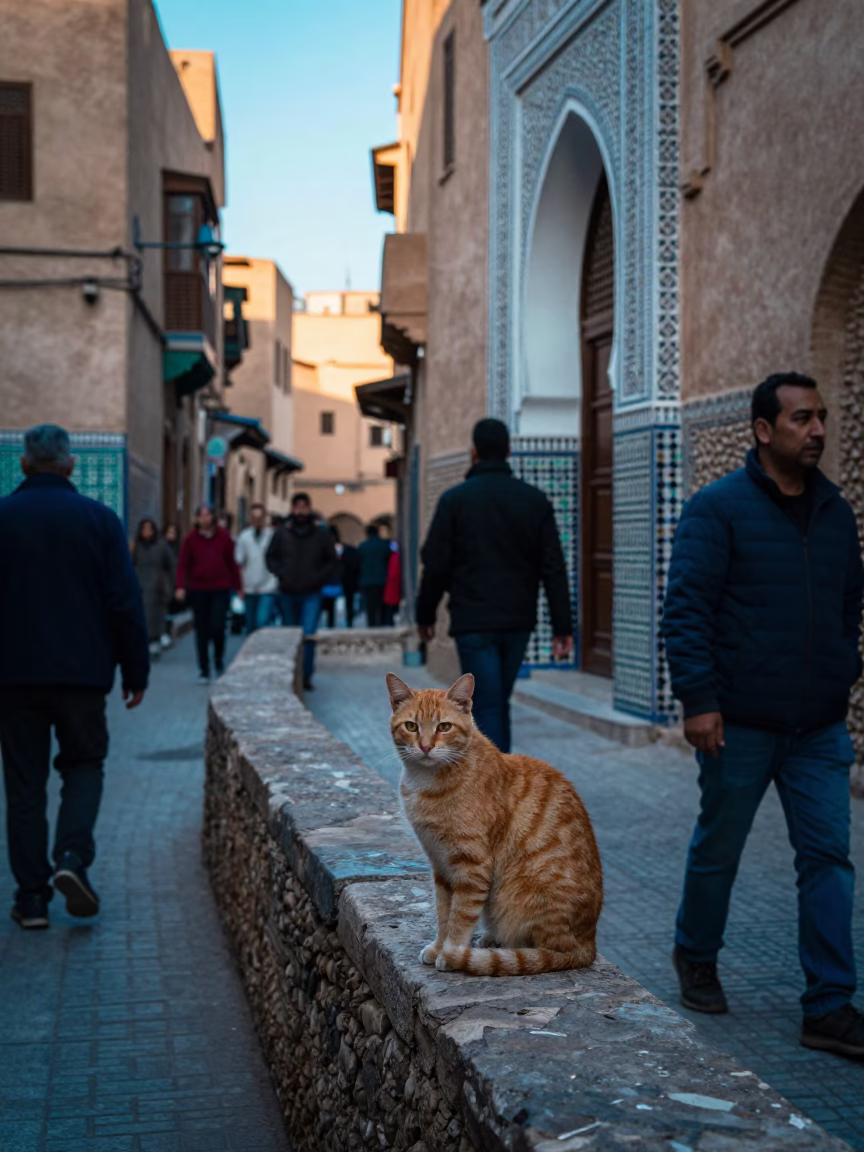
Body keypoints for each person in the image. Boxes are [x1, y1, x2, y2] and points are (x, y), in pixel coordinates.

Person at [662, 372, 864, 1058]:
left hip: (818, 728)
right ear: (763, 430)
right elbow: (686, 609)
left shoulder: (836, 513)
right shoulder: (716, 509)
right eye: (803, 419)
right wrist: (700, 700)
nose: (817, 431)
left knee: (829, 859)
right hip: (738, 723)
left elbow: (848, 607)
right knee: (720, 848)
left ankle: (829, 1004)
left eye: (822, 418)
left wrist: (843, 668)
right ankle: (695, 953)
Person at [0, 425, 149, 929]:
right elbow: (125, 603)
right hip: (83, 677)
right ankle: (71, 859)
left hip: (13, 677)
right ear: (69, 465)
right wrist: (136, 669)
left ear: (24, 464)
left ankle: (32, 899)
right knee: (83, 768)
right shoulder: (100, 521)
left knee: (24, 787)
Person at [416, 418, 572, 753]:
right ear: (508, 451)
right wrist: (563, 626)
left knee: (487, 703)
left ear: (473, 452)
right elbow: (554, 569)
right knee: (496, 699)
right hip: (517, 620)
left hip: (473, 621)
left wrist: (424, 614)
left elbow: (436, 565)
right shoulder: (534, 501)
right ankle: (500, 782)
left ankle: (494, 788)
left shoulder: (454, 501)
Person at [266, 492, 336, 690]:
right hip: (287, 591)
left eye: (304, 507)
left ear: (309, 508)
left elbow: (331, 561)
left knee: (308, 635)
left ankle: (306, 675)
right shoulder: (281, 533)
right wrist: (281, 574)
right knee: (289, 635)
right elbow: (271, 557)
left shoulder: (321, 535)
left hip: (312, 592)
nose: (300, 511)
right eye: (297, 507)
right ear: (292, 509)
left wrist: (319, 578)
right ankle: (290, 673)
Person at [175, 504, 242, 682]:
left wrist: (239, 587)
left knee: (218, 626)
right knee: (201, 630)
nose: (204, 519)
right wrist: (180, 586)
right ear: (197, 519)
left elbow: (232, 564)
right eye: (201, 516)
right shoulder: (190, 540)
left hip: (220, 587)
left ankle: (218, 658)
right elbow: (183, 565)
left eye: (207, 515)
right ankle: (204, 668)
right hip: (198, 588)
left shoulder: (224, 538)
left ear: (213, 517)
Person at [132, 518, 176, 658]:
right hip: (140, 585)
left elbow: (170, 565)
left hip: (158, 587)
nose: (147, 532)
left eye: (149, 529)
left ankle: (154, 641)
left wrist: (170, 584)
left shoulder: (161, 546)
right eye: (144, 529)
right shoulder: (136, 547)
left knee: (156, 616)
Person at [234, 503, 277, 634]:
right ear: (250, 518)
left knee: (262, 621)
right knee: (250, 625)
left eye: (260, 517)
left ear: (264, 518)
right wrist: (239, 587)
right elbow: (239, 561)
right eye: (254, 517)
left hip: (268, 585)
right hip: (249, 586)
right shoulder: (244, 537)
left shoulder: (272, 536)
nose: (257, 520)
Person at [358, 524, 392, 627]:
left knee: (370, 606)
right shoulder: (384, 545)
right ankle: (381, 623)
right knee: (381, 604)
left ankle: (371, 624)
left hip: (367, 580)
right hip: (381, 579)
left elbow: (358, 562)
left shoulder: (363, 546)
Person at [320, 526, 345, 630]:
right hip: (333, 580)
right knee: (331, 607)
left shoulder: (321, 547)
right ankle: (330, 624)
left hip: (324, 580)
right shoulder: (339, 548)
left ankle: (323, 625)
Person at [341, 535, 361, 627]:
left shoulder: (344, 556)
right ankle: (350, 618)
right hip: (353, 581)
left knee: (349, 602)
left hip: (346, 581)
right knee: (352, 601)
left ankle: (349, 619)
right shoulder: (354, 554)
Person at [383, 540, 402, 627]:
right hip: (393, 584)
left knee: (391, 605)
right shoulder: (394, 557)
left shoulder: (394, 557)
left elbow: (393, 573)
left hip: (393, 584)